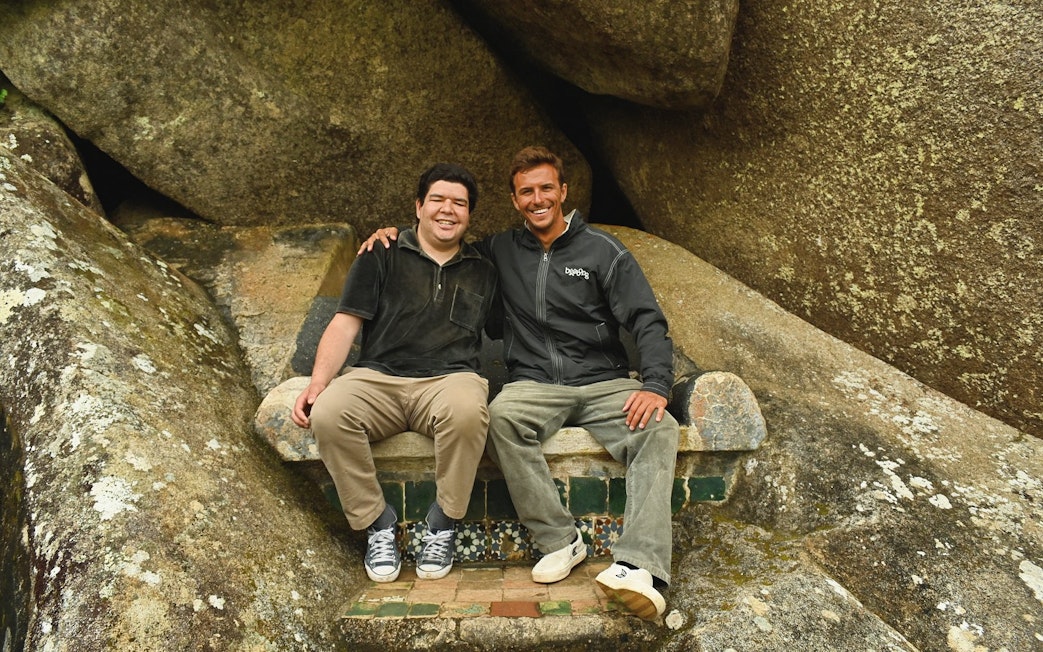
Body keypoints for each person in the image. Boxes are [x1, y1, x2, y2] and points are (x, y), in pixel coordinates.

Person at [361, 147, 679, 621]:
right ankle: (560, 540)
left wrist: (656, 383)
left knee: (660, 427)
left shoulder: (603, 251)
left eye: (546, 188)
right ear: (514, 200)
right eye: (526, 191)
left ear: (563, 192)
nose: (537, 199)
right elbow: (440, 245)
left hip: (603, 381)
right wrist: (393, 236)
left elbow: (647, 321)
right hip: (533, 384)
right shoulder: (499, 251)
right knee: (501, 417)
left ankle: (639, 565)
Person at [293, 162, 497, 584]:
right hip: (378, 378)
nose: (447, 210)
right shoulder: (381, 252)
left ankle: (442, 523)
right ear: (418, 206)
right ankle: (377, 524)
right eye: (437, 199)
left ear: (470, 215)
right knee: (329, 412)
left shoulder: (486, 267)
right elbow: (345, 322)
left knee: (467, 411)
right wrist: (317, 383)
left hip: (449, 379)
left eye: (459, 203)